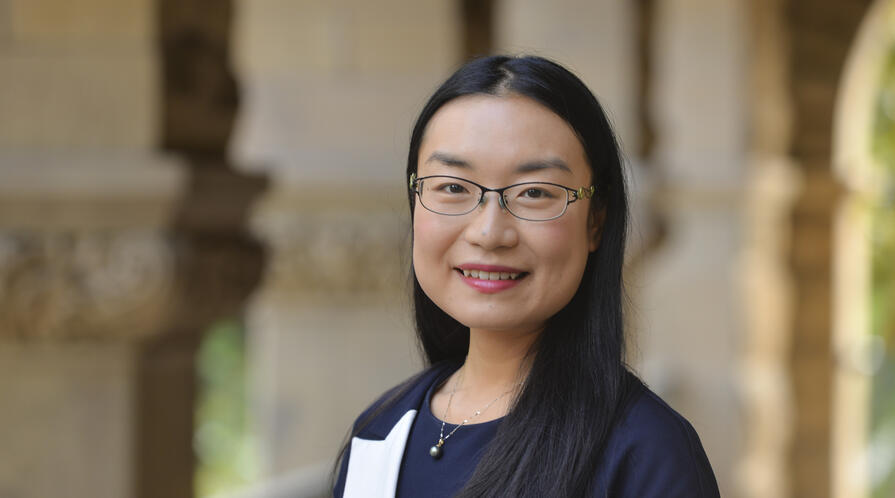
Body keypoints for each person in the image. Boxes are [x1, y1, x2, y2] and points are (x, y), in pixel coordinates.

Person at [332, 55, 720, 498]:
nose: (489, 232)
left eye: (535, 193)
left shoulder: (644, 452)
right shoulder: (381, 432)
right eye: (453, 187)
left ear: (596, 221)